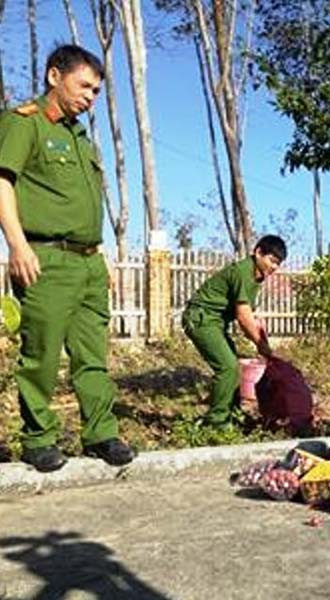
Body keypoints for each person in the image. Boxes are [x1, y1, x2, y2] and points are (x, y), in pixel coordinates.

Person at [0, 45, 134, 472]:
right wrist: (17, 244)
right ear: (55, 76)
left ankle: (101, 433)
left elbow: (85, 203)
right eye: (84, 86)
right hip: (46, 258)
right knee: (41, 354)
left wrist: (102, 255)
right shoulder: (25, 124)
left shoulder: (80, 137)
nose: (90, 96)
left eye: (96, 90)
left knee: (92, 354)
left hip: (89, 262)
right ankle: (38, 439)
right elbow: (2, 183)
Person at [183, 235, 286, 428]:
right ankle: (216, 423)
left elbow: (249, 313)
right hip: (201, 319)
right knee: (227, 368)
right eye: (272, 260)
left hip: (216, 322)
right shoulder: (241, 272)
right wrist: (262, 346)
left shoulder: (256, 276)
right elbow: (243, 316)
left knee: (234, 368)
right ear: (258, 252)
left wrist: (261, 335)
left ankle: (233, 414)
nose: (274, 267)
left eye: (278, 264)